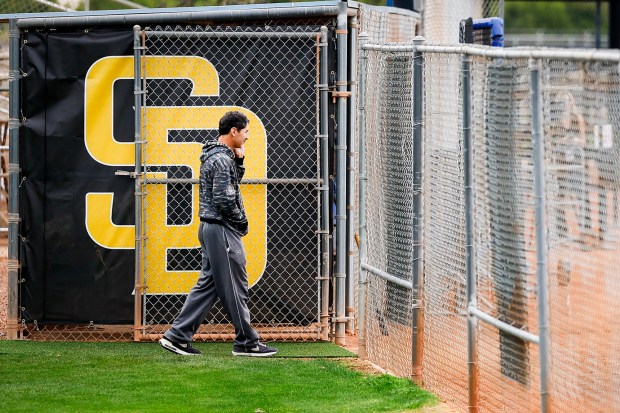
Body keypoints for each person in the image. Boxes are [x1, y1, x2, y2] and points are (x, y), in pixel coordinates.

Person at [160, 111, 277, 357]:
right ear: (233, 131)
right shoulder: (222, 160)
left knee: (208, 286)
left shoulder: (219, 156)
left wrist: (240, 161)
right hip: (221, 228)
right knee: (236, 285)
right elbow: (224, 198)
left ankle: (177, 336)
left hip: (212, 227)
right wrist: (242, 221)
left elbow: (230, 185)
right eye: (245, 132)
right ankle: (247, 342)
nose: (247, 137)